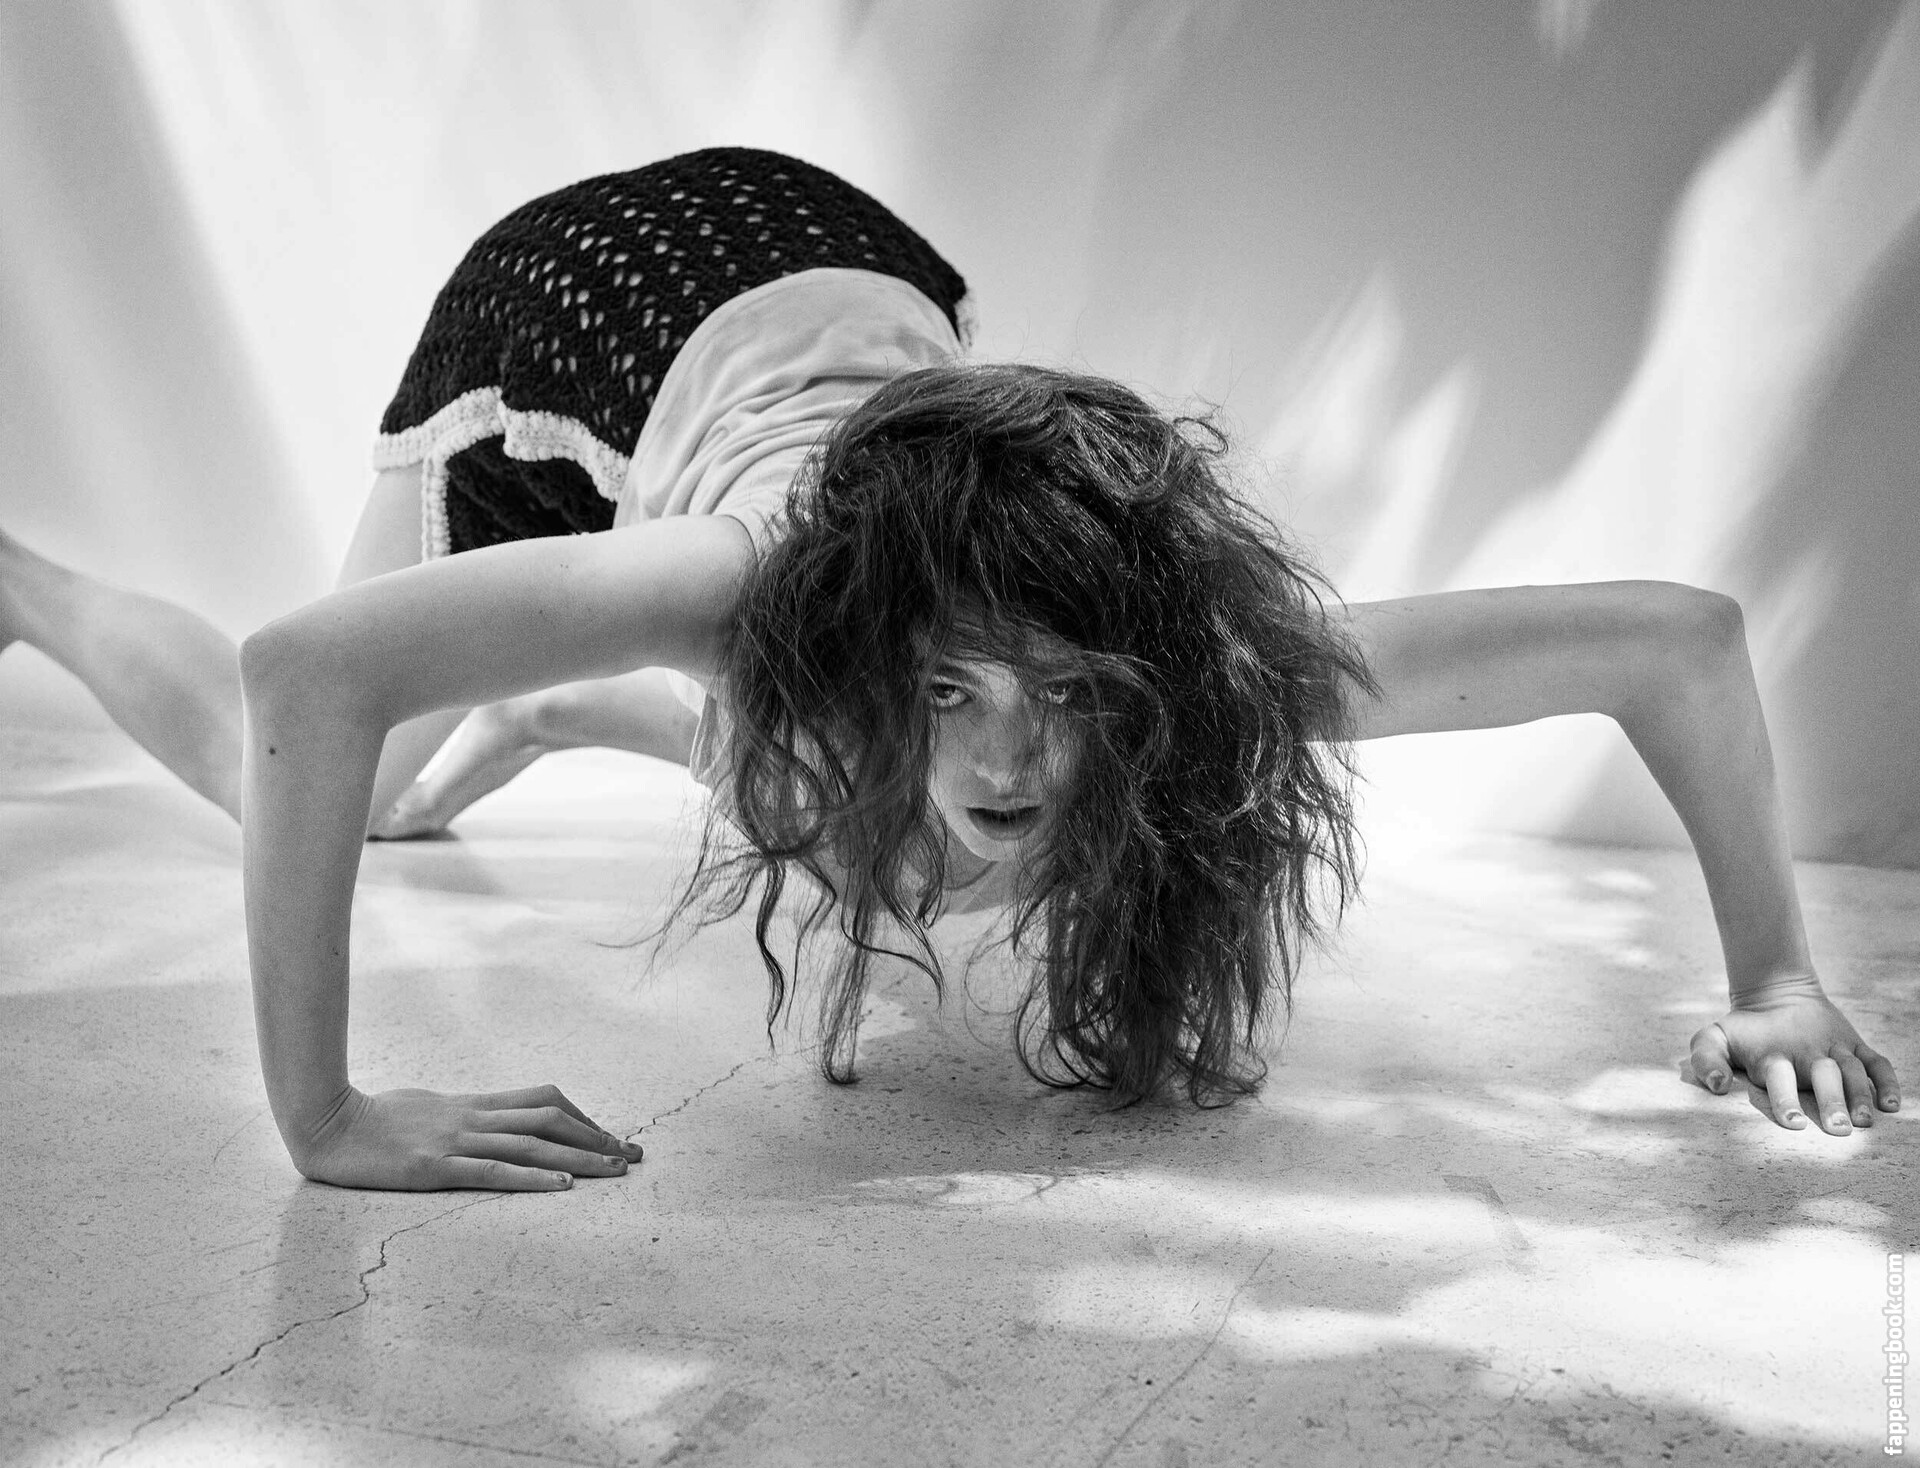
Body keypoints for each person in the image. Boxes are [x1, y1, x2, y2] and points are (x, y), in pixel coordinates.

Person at [0, 149, 1898, 1194]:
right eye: (949, 692)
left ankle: (561, 701)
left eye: (1063, 695)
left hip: (847, 256)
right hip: (584, 309)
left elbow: (1674, 642)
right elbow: (304, 674)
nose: (1011, 760)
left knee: (897, 811)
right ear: (859, 643)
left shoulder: (1200, 658)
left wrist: (1776, 982)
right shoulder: (738, 585)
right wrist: (327, 1119)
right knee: (340, 798)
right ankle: (28, 588)